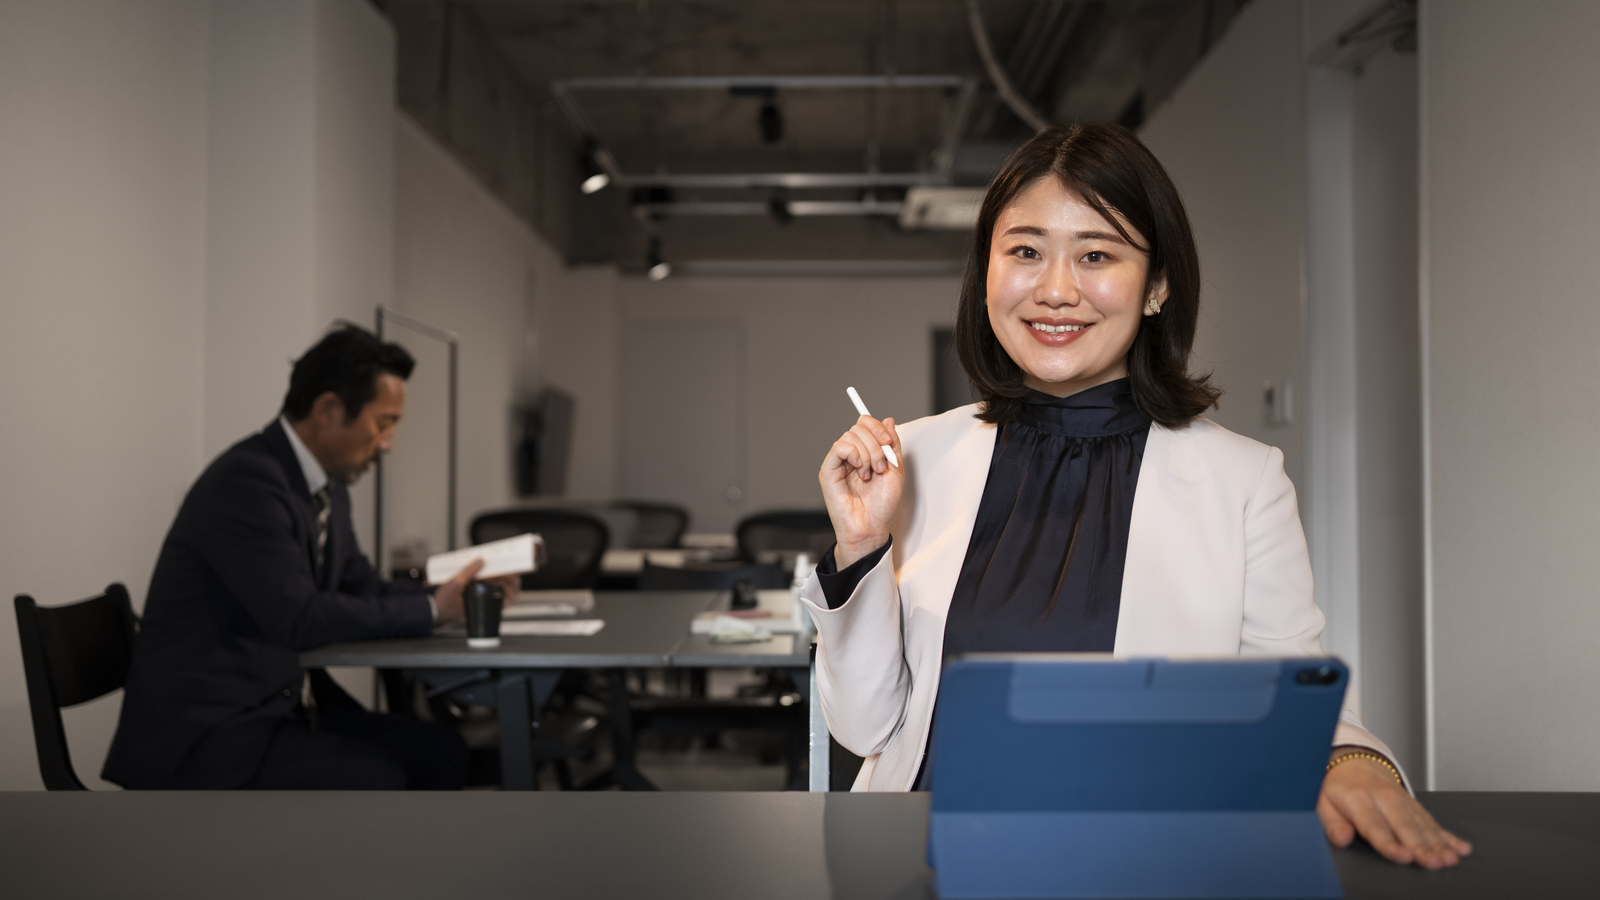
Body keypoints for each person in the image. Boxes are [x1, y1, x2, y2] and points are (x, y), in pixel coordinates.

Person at [805, 124, 1471, 869]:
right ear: (986, 272)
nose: (1056, 289)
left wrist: (1354, 762)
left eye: (1097, 255)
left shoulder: (1245, 481)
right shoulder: (916, 457)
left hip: (1142, 863)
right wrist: (860, 548)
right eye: (1025, 251)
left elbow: (1294, 704)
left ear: (1156, 286)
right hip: (926, 859)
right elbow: (865, 730)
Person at [104, 324, 516, 790]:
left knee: (442, 751)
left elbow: (361, 585)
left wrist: (450, 597)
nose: (388, 443)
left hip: (278, 708)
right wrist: (430, 610)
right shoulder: (247, 484)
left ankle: (413, 864)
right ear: (328, 410)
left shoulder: (326, 489)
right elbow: (297, 618)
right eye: (383, 423)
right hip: (210, 733)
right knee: (382, 777)